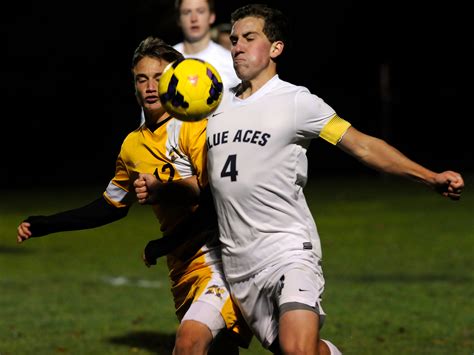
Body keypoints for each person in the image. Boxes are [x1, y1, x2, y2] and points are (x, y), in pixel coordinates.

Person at [202, 4, 464, 355]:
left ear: (276, 48)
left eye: (250, 38)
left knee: (297, 350)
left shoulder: (297, 101)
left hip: (288, 251)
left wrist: (428, 177)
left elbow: (363, 146)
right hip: (239, 261)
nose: (238, 47)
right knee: (299, 350)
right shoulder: (217, 105)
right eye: (234, 40)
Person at [16, 36, 251, 355]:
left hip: (221, 256)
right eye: (143, 79)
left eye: (159, 77)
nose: (151, 86)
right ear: (134, 86)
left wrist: (163, 242)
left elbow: (215, 201)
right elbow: (110, 206)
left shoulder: (195, 128)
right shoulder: (132, 145)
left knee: (189, 343)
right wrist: (46, 224)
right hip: (182, 265)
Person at [173, 0, 239, 90]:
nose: (194, 18)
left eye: (200, 11)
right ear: (178, 19)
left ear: (212, 16)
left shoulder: (230, 63)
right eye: (186, 12)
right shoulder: (166, 61)